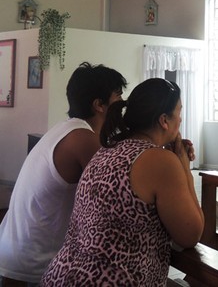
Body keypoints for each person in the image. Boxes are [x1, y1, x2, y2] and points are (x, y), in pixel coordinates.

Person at [41, 78, 204, 286]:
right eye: (179, 112)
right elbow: (191, 234)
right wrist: (184, 167)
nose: (180, 120)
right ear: (164, 120)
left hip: (61, 275)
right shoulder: (161, 161)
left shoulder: (108, 149)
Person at [0, 62, 128, 286]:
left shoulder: (66, 129)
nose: (122, 105)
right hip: (33, 266)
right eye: (118, 97)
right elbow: (122, 193)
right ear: (99, 105)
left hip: (15, 253)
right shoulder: (83, 140)